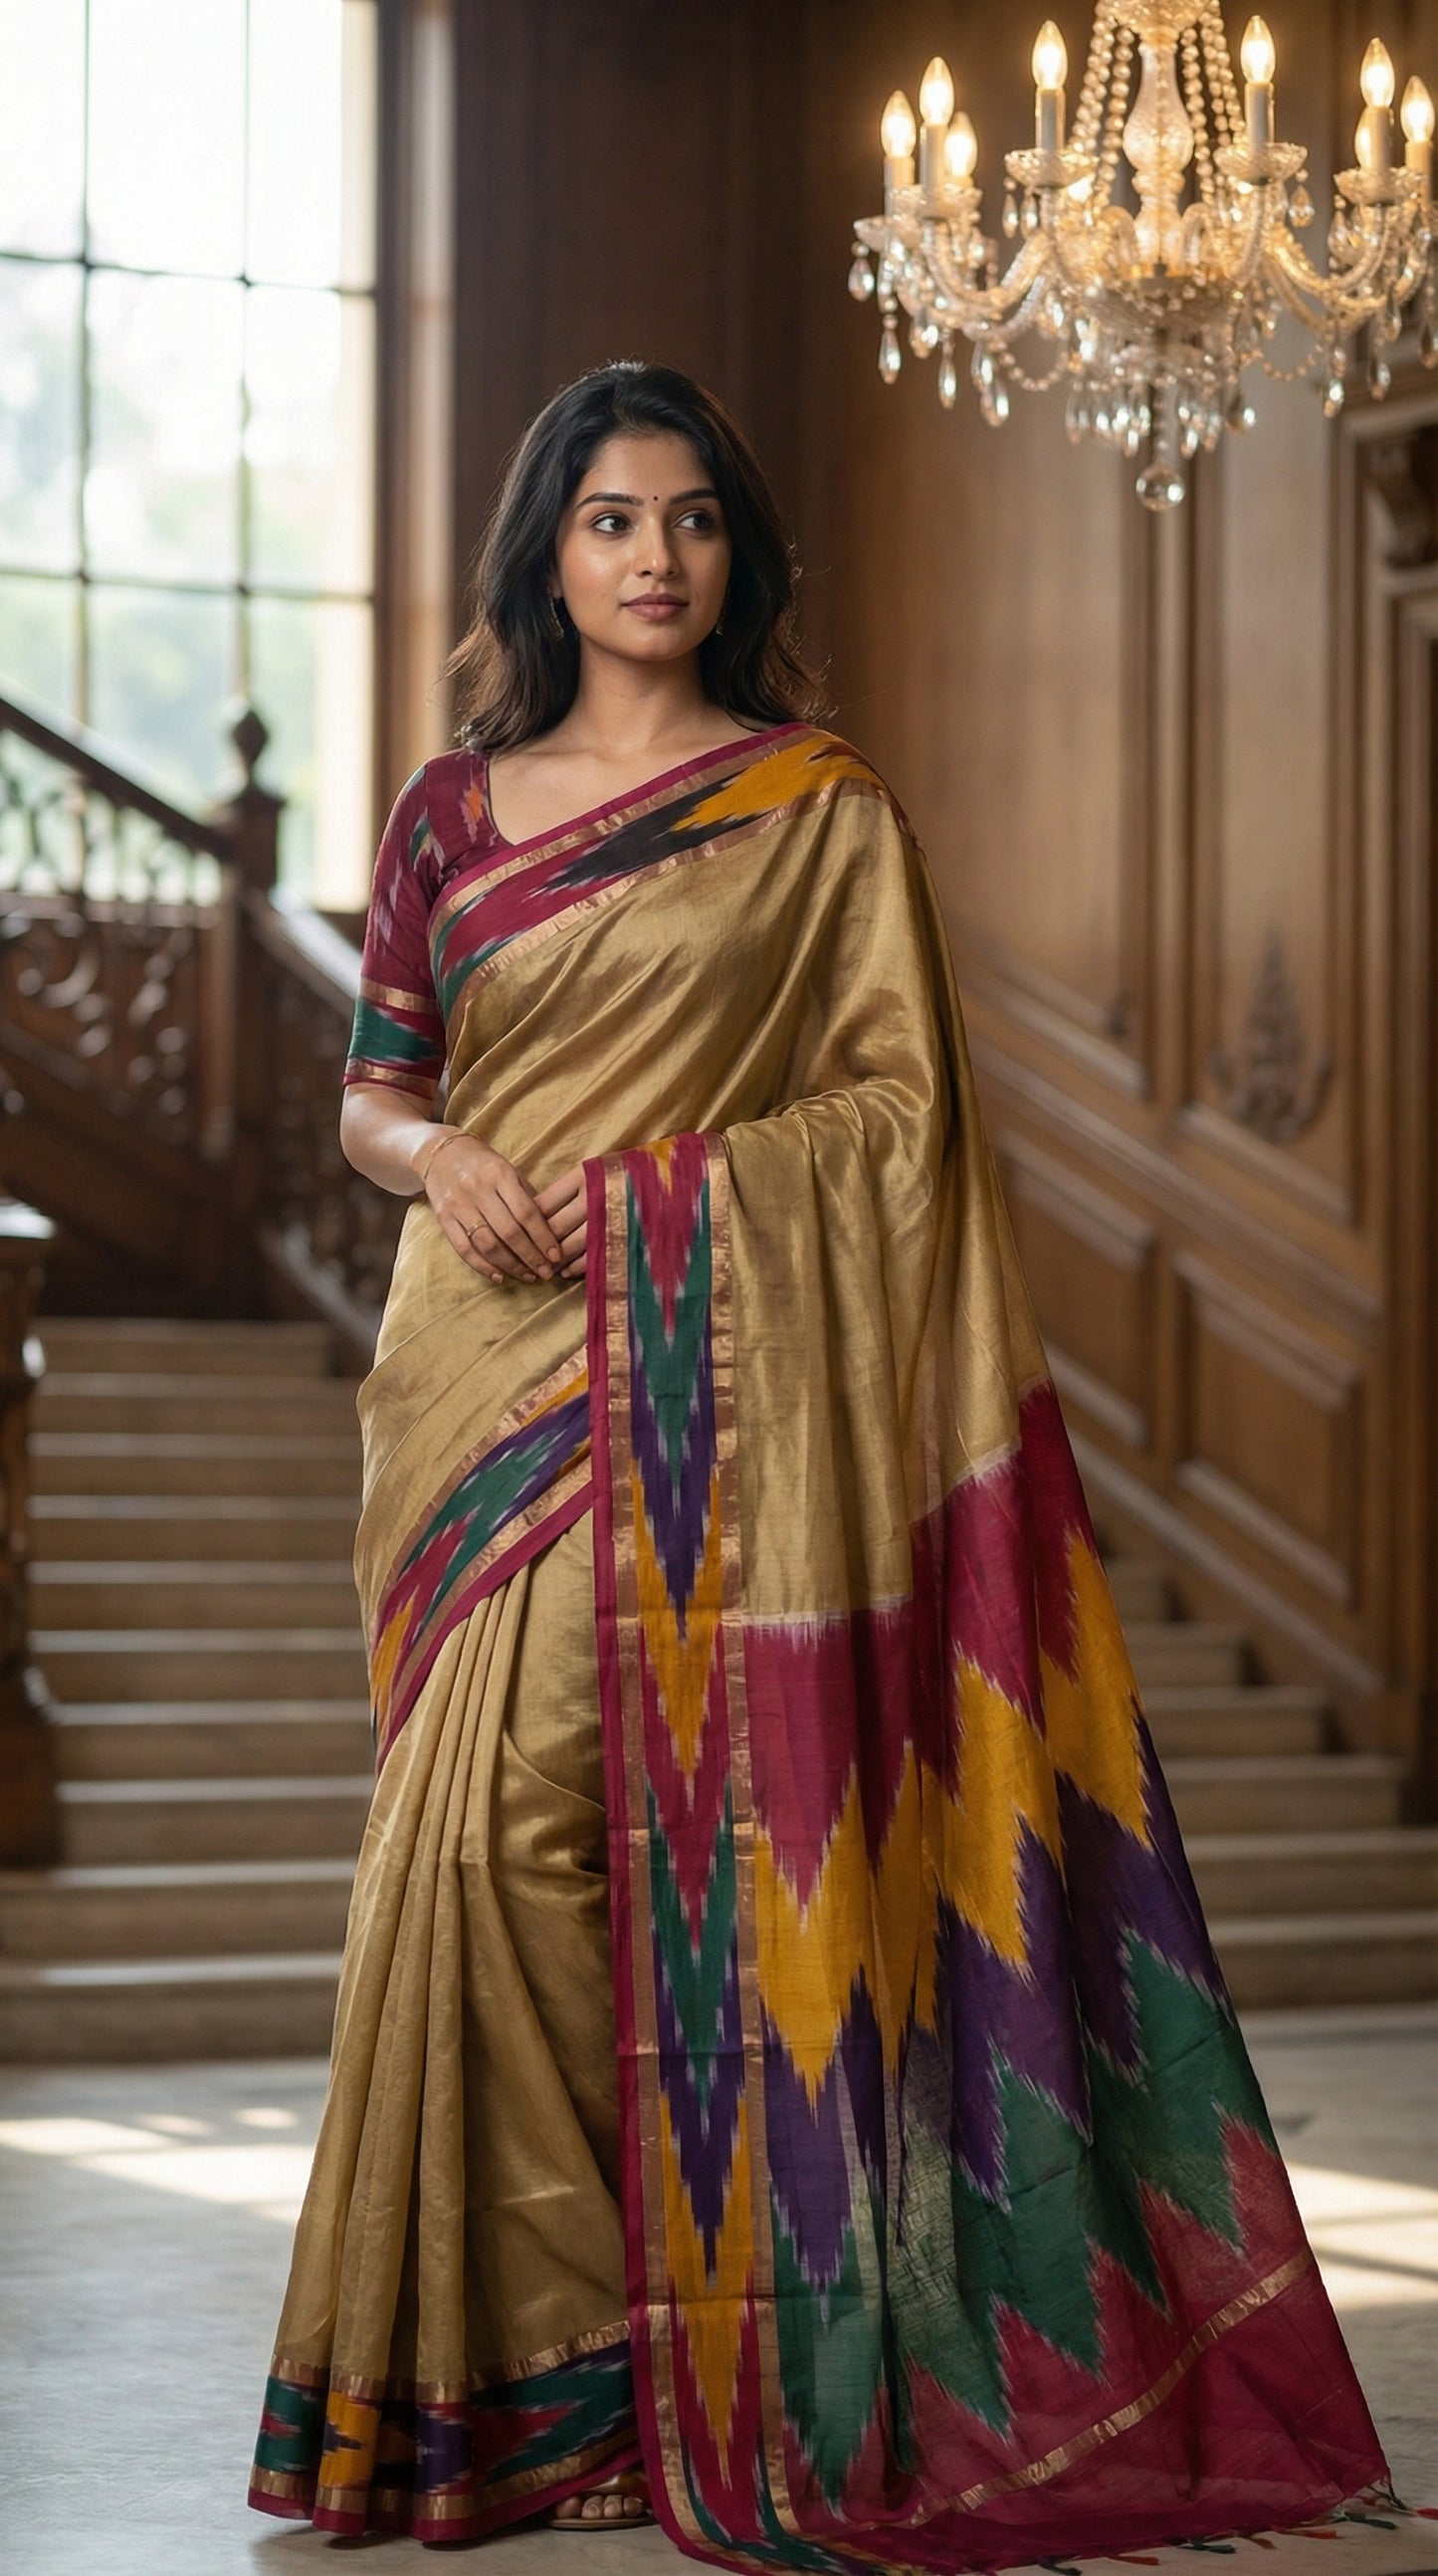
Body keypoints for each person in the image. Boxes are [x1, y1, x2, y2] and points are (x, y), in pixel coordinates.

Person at [250, 361, 1386, 2566]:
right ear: (546, 553)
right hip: (472, 1374)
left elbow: (899, 1116)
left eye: (688, 518)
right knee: (466, 1855)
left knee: (542, 1824)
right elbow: (374, 1086)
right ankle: (538, 2366)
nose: (653, 554)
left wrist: (658, 1197)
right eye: (609, 519)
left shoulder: (815, 806)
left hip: (690, 1374)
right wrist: (450, 1149)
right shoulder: (449, 810)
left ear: (734, 554)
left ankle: (690, 2350)